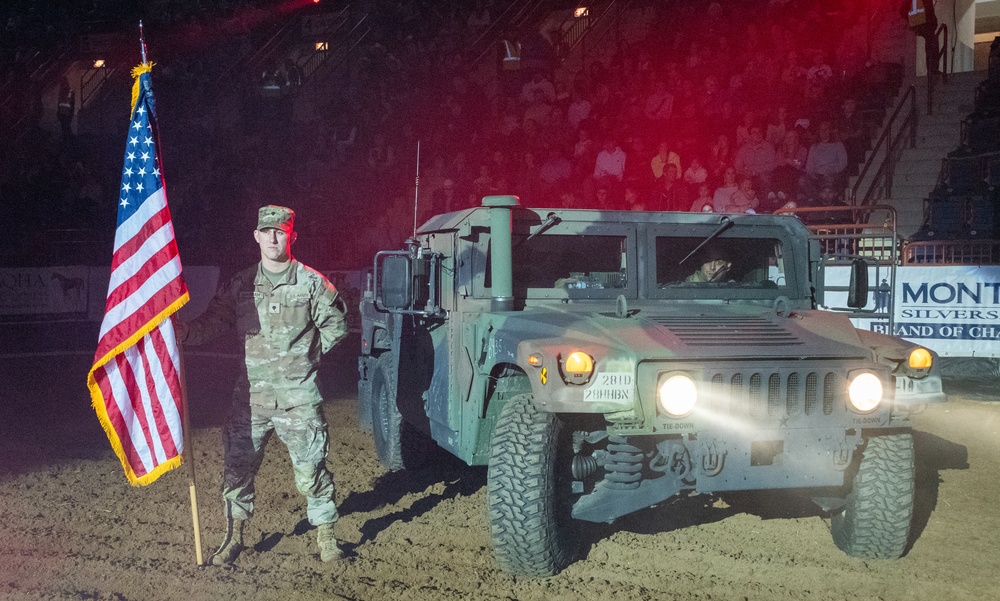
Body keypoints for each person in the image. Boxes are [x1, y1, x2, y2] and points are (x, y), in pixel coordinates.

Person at [176, 205, 349, 566]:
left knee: (312, 470)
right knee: (237, 468)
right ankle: (234, 537)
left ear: (291, 236)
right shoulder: (240, 285)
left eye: (280, 231)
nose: (273, 237)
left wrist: (306, 360)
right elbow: (213, 322)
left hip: (298, 398)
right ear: (256, 236)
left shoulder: (312, 283)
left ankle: (327, 538)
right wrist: (185, 332)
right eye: (266, 231)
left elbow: (337, 325)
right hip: (250, 399)